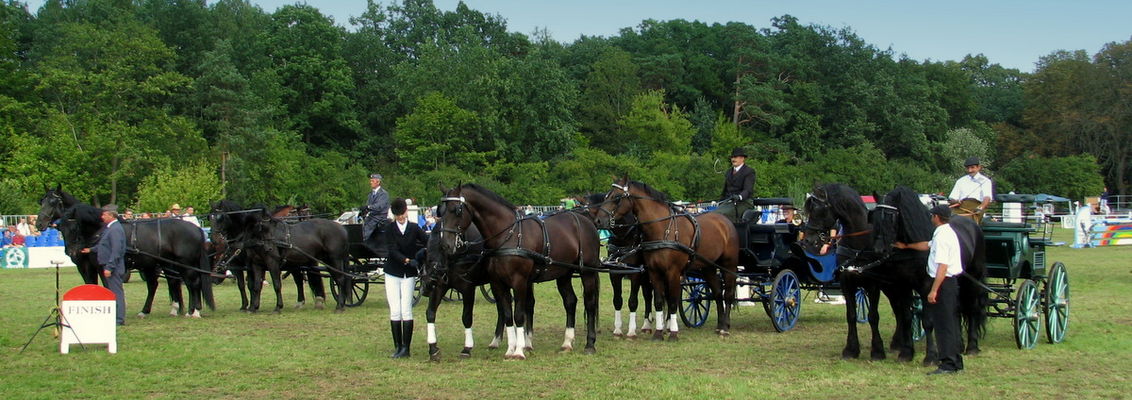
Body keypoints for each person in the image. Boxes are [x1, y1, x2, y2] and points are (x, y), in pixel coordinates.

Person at [896, 205, 964, 374]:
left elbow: (942, 266)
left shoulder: (942, 236)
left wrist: (934, 290)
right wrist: (907, 246)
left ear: (937, 217)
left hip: (943, 282)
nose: (930, 218)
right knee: (950, 322)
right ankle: (956, 362)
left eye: (932, 215)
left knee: (943, 324)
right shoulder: (944, 232)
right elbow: (927, 245)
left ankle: (948, 364)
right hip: (948, 282)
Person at [384, 198, 427, 358]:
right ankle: (398, 346)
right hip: (393, 272)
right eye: (398, 216)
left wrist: (422, 254)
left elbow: (427, 242)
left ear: (406, 212)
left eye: (402, 215)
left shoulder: (415, 228)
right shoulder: (389, 229)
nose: (400, 218)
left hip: (408, 275)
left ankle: (406, 348)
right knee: (395, 311)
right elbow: (392, 250)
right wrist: (408, 260)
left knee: (406, 311)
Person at [83, 205, 127, 326]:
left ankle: (119, 318)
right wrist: (91, 250)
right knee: (112, 291)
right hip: (109, 265)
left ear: (111, 215)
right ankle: (116, 316)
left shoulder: (115, 229)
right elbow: (104, 245)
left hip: (113, 266)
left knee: (116, 292)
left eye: (104, 215)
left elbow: (116, 250)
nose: (102, 217)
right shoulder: (109, 228)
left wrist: (109, 267)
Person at [714, 147, 756, 223]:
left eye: (735, 157)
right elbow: (725, 190)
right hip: (729, 202)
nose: (733, 159)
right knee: (711, 214)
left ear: (742, 158)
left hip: (744, 203)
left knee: (719, 214)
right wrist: (719, 202)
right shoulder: (728, 172)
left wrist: (739, 197)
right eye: (732, 157)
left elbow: (748, 190)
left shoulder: (749, 171)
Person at [948, 157, 994, 224]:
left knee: (965, 221)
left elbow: (987, 198)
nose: (970, 170)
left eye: (972, 167)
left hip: (975, 208)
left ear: (979, 167)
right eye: (968, 168)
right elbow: (952, 198)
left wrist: (980, 208)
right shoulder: (960, 181)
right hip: (960, 208)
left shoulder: (986, 181)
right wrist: (956, 201)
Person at [360, 173, 390, 256]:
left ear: (378, 182)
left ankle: (363, 240)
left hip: (379, 218)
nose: (370, 182)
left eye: (372, 181)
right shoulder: (370, 194)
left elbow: (379, 206)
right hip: (371, 217)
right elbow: (369, 207)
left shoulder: (383, 194)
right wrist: (363, 211)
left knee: (366, 230)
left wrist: (368, 207)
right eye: (371, 181)